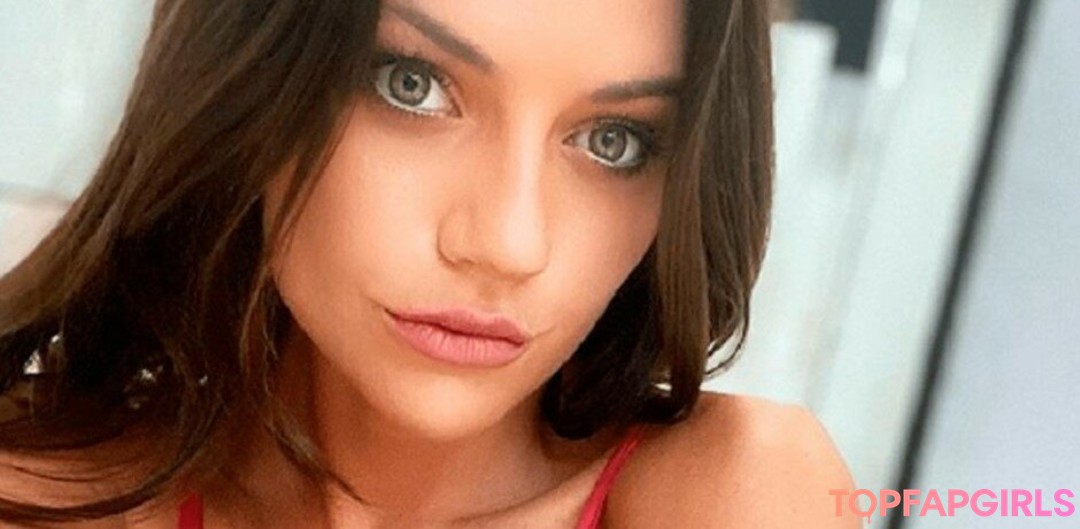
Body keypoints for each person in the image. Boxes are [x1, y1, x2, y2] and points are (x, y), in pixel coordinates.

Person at [0, 0, 860, 527]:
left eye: (613, 140)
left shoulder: (737, 489)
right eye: (410, 85)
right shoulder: (37, 495)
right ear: (254, 73)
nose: (509, 243)